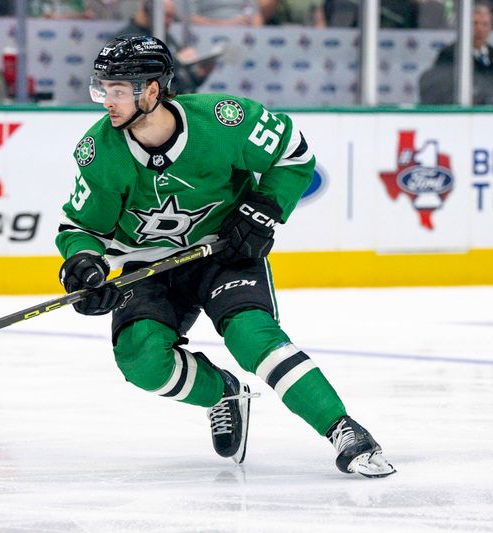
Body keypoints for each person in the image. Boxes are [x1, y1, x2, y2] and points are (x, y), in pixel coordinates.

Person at [55, 35, 396, 477]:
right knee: (142, 360)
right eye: (102, 88)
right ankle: (223, 394)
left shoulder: (223, 120)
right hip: (147, 266)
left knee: (252, 336)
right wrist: (85, 267)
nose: (106, 101)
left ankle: (344, 431)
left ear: (152, 91)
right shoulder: (99, 150)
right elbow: (82, 229)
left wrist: (265, 211)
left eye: (118, 90)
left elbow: (295, 155)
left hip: (224, 251)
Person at [419, 2, 493, 104]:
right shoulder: (450, 55)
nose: (480, 29)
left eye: (485, 24)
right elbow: (442, 93)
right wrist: (483, 99)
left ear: (490, 28)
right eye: (475, 23)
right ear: (465, 26)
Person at [118, 0, 217, 94]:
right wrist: (177, 60)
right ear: (148, 11)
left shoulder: (165, 36)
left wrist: (200, 75)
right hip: (162, 105)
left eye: (171, 17)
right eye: (166, 16)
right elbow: (144, 75)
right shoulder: (125, 41)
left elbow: (180, 81)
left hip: (182, 100)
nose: (169, 21)